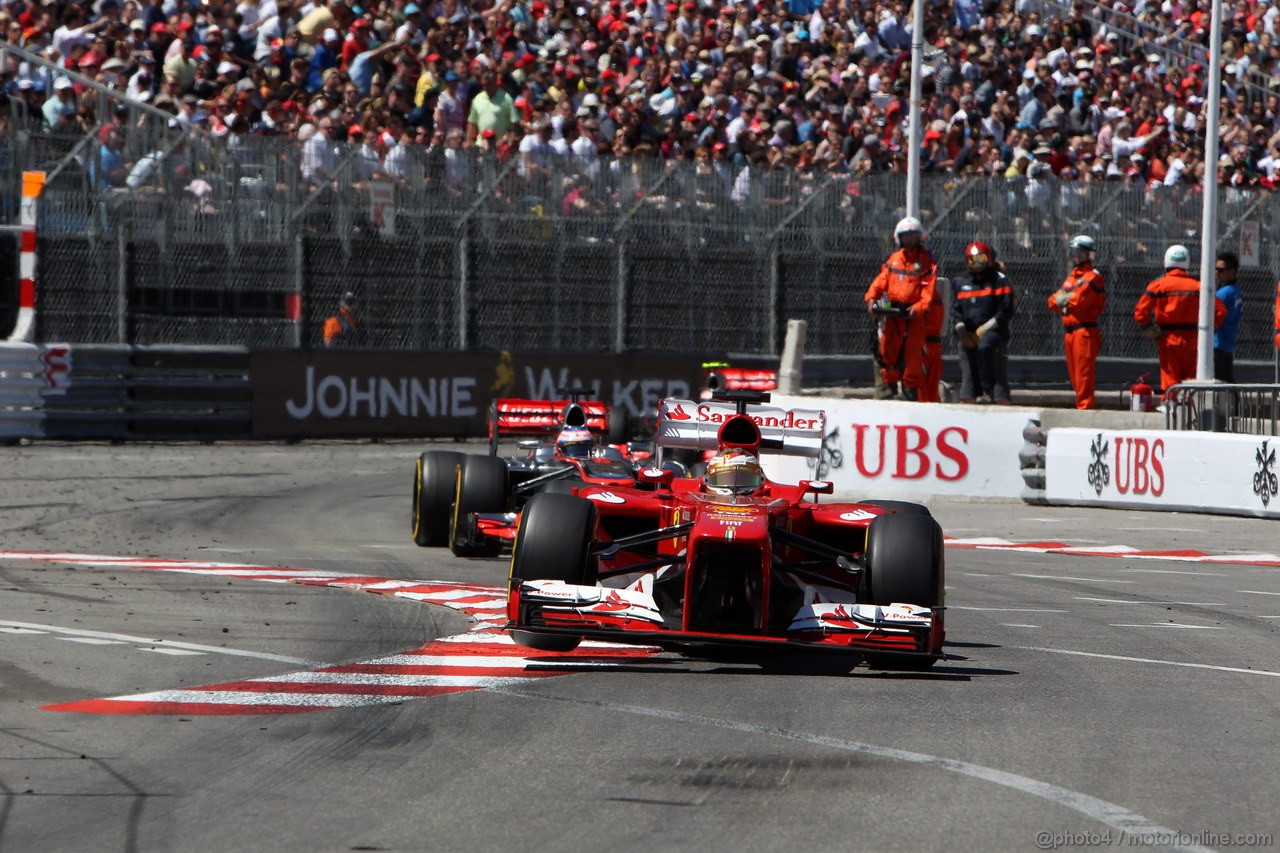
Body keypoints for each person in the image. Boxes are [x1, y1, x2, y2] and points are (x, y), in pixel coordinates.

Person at [1133, 244, 1227, 394]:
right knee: (1190, 381)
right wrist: (1210, 329)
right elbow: (1220, 310)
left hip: (1168, 338)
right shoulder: (1198, 286)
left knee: (1170, 380)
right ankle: (1189, 411)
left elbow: (1140, 311)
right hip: (1193, 338)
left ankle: (1170, 409)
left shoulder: (1158, 285)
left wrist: (1148, 328)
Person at [865, 216, 938, 401]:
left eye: (913, 236)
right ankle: (888, 390)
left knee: (913, 355)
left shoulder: (927, 261)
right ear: (899, 238)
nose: (910, 240)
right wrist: (872, 299)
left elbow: (928, 291)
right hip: (893, 314)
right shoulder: (894, 259)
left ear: (919, 237)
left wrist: (919, 308)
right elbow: (880, 281)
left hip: (914, 316)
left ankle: (910, 392)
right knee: (888, 350)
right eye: (906, 236)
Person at [953, 241, 1015, 404]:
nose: (977, 263)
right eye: (972, 260)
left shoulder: (999, 281)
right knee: (967, 367)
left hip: (993, 333)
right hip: (969, 335)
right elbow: (956, 310)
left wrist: (985, 329)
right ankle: (969, 401)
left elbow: (1006, 310)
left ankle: (992, 392)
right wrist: (961, 330)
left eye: (980, 258)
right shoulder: (962, 283)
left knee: (987, 350)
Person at [1050, 235, 1106, 409]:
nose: (1077, 256)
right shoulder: (1072, 277)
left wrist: (1063, 301)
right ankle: (1081, 405)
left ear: (1090, 254)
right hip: (1070, 331)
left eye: (1081, 252)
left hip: (1084, 331)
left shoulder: (1093, 276)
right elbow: (1052, 302)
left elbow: (1079, 303)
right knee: (1074, 375)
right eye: (1075, 252)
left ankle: (1085, 408)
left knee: (1083, 374)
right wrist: (1066, 301)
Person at [1213, 251, 1242, 384]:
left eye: (1221, 270)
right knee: (1228, 381)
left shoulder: (1223, 294)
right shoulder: (1235, 291)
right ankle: (1234, 404)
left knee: (1220, 381)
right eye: (1216, 269)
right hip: (1227, 343)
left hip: (1217, 344)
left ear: (1232, 271)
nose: (1216, 272)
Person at [919, 285, 945, 403]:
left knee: (921, 385)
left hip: (921, 344)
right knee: (932, 385)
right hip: (934, 344)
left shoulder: (919, 296)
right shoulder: (936, 295)